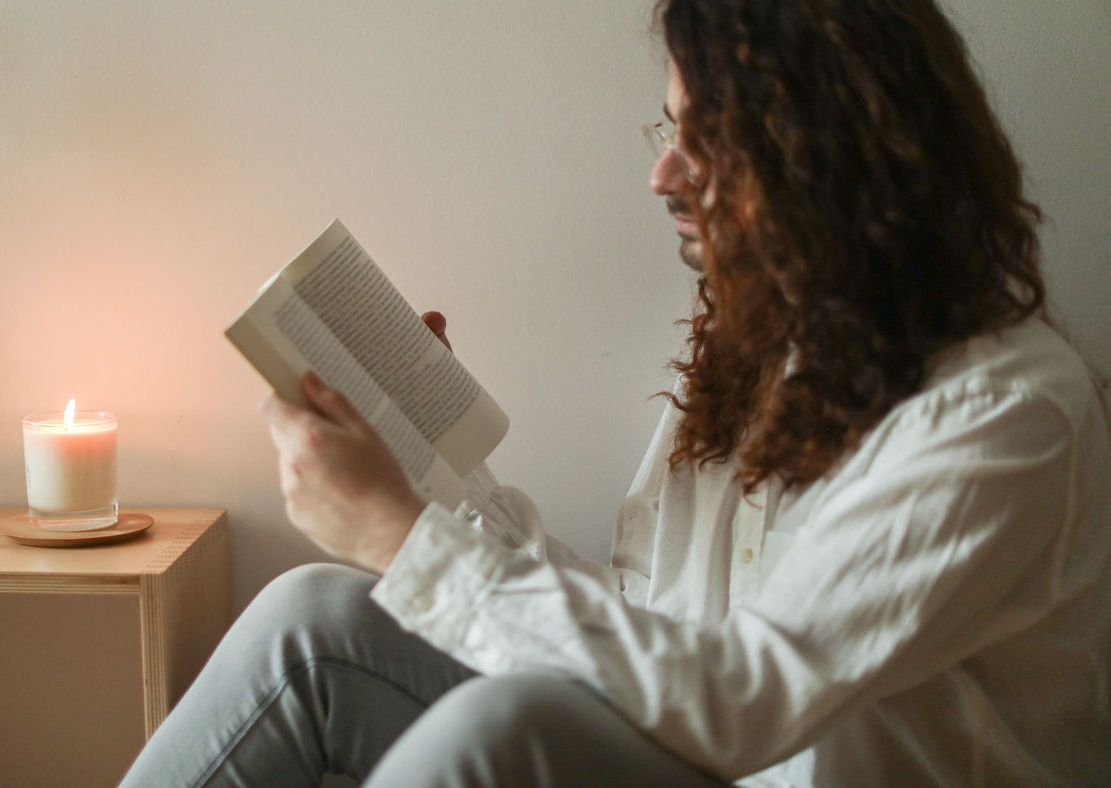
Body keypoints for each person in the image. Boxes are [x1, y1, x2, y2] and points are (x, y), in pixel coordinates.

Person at [123, 0, 1111, 785]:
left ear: (835, 159)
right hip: (698, 746)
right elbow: (641, 627)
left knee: (505, 724)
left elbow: (740, 697)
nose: (660, 174)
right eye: (668, 129)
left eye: (704, 138)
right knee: (313, 621)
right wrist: (423, 470)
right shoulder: (773, 358)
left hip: (743, 754)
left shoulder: (1005, 416)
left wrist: (399, 536)